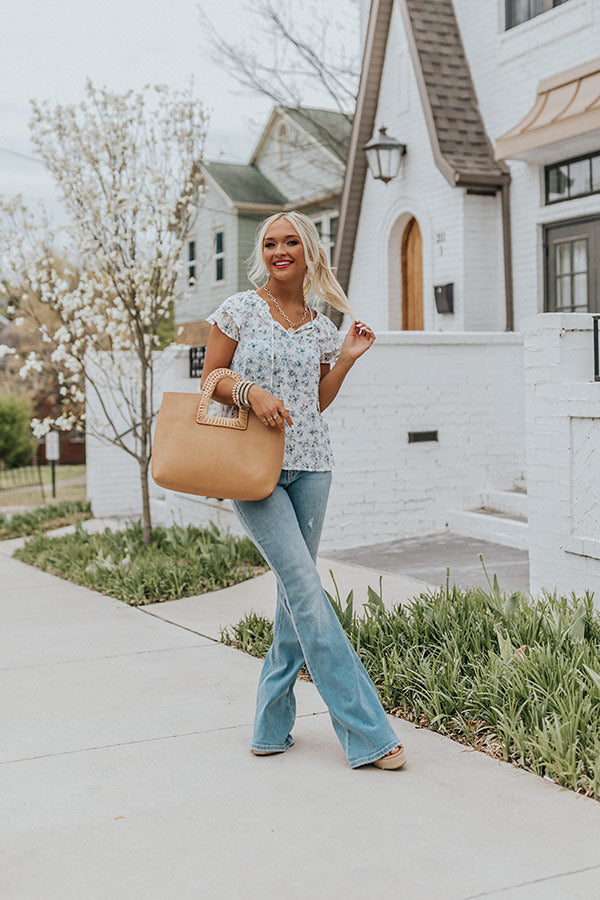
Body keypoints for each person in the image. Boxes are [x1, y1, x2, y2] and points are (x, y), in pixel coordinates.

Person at [201, 210, 405, 770]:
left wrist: (343, 359)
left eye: (291, 242)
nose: (279, 251)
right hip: (252, 470)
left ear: (309, 251)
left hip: (313, 466)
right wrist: (250, 392)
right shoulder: (239, 310)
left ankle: (270, 726)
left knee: (296, 600)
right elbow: (210, 378)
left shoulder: (319, 324)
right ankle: (368, 732)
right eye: (271, 243)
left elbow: (315, 402)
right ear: (261, 253)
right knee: (308, 593)